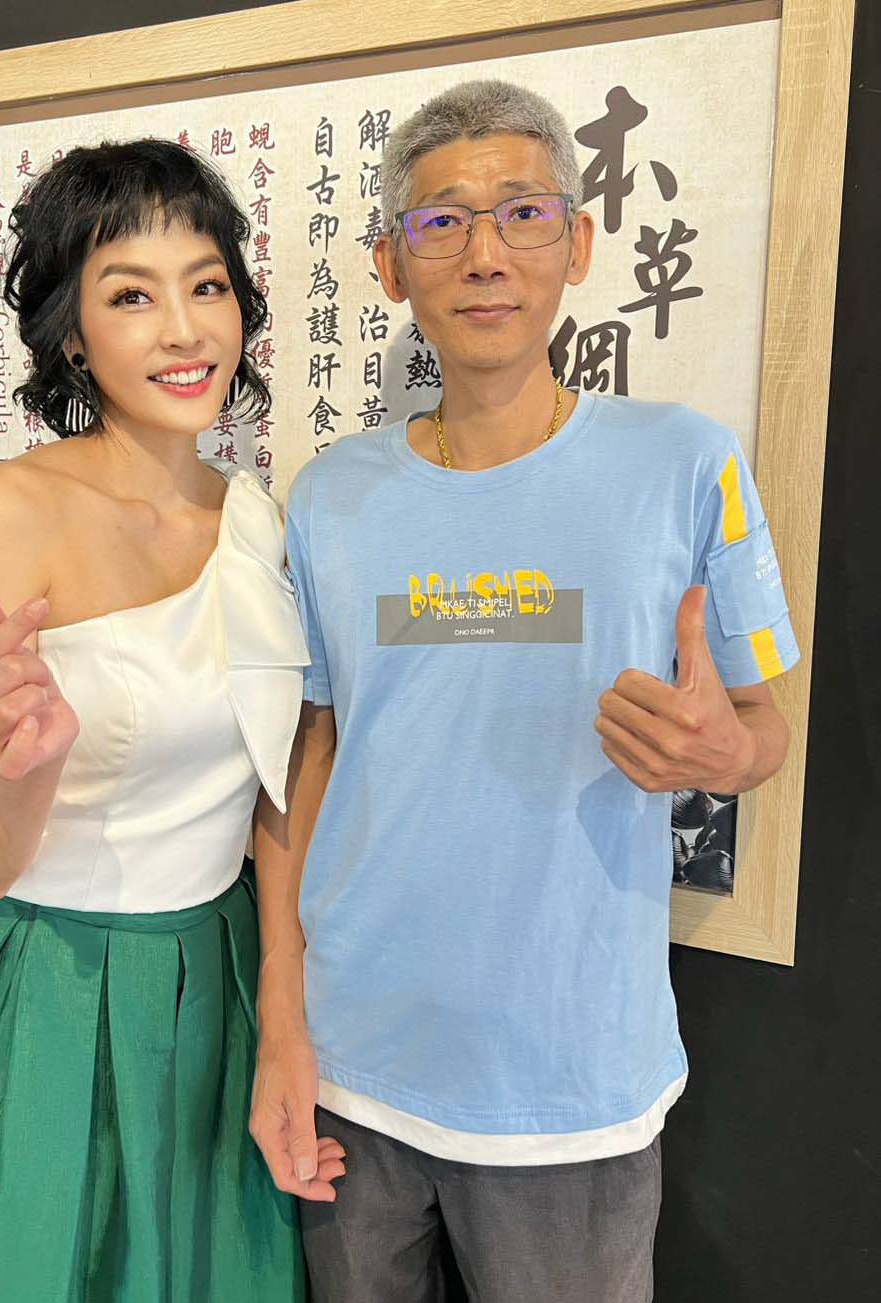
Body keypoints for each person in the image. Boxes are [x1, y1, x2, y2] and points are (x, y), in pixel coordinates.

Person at [251, 80, 797, 1303]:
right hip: (353, 1071)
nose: (484, 253)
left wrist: (725, 753)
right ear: (391, 264)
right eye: (441, 221)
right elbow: (309, 757)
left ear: (578, 243)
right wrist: (283, 1021)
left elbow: (763, 727)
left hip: (570, 1087)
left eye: (523, 212)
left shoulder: (683, 462)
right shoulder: (331, 496)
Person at [0, 139, 341, 1303]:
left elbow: (282, 786)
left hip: (214, 981)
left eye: (206, 285)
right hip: (38, 988)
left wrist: (284, 1013)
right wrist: (27, 767)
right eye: (130, 295)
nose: (183, 330)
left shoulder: (262, 524)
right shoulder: (6, 512)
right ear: (73, 335)